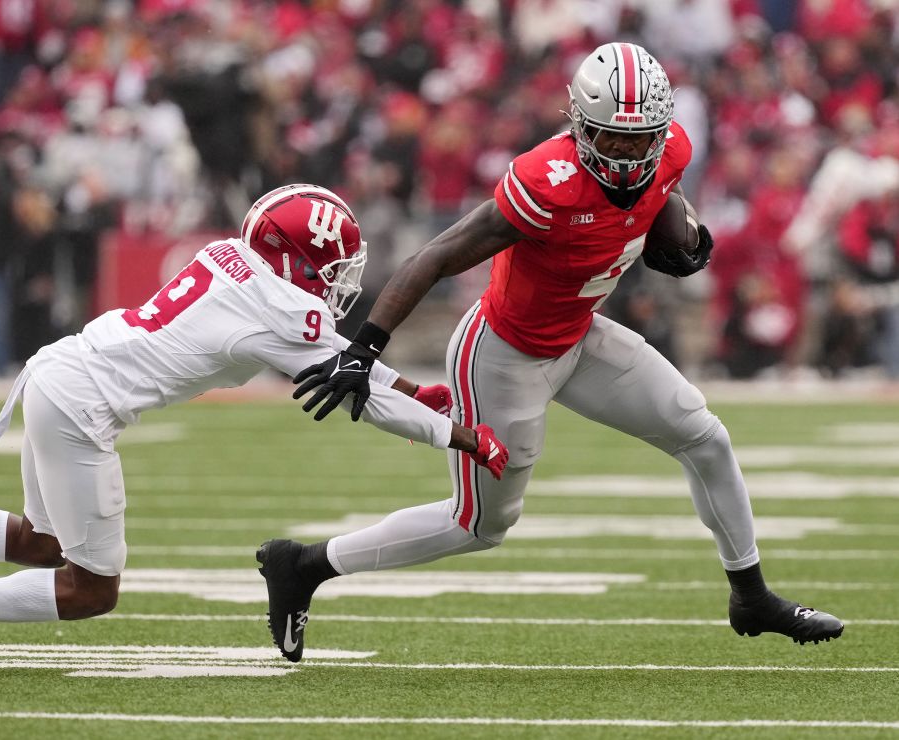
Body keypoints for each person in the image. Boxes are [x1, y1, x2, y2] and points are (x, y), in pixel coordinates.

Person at [265, 43, 844, 663]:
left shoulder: (672, 149)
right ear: (579, 125)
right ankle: (304, 566)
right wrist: (364, 348)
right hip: (503, 353)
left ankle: (751, 594)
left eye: (637, 140)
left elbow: (663, 198)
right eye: (609, 140)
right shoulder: (546, 183)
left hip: (578, 333)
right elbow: (435, 256)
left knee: (705, 436)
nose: (625, 154)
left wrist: (685, 232)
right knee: (480, 525)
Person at [0, 183, 509, 674]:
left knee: (41, 541)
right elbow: (358, 392)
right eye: (331, 269)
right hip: (82, 405)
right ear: (298, 258)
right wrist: (462, 437)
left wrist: (416, 388)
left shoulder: (227, 260)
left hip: (64, 369)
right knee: (91, 589)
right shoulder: (280, 310)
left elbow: (347, 368)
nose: (337, 283)